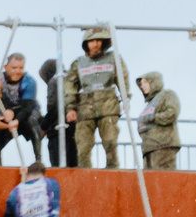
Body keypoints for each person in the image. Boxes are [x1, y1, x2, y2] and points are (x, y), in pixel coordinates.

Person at [65, 24, 127, 168]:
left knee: (110, 142)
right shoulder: (79, 63)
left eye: (99, 40)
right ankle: (86, 176)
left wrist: (125, 98)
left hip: (108, 105)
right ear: (86, 43)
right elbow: (70, 85)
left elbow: (123, 79)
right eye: (92, 41)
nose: (95, 44)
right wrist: (71, 108)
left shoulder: (114, 58)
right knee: (83, 146)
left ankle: (113, 172)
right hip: (85, 107)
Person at [0, 52, 42, 165]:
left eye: (20, 68)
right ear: (5, 67)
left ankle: (38, 159)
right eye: (14, 68)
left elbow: (27, 107)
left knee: (32, 121)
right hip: (5, 112)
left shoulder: (29, 81)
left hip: (26, 112)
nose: (17, 71)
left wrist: (16, 119)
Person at [137, 72, 181, 170]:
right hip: (148, 148)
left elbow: (172, 113)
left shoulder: (167, 95)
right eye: (141, 84)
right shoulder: (149, 104)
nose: (142, 86)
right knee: (149, 182)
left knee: (164, 181)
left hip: (163, 145)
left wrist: (153, 118)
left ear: (154, 83)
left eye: (145, 83)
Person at [40, 57, 65, 166]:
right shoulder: (71, 79)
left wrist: (44, 125)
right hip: (74, 128)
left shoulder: (53, 81)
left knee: (57, 166)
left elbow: (54, 107)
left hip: (57, 131)